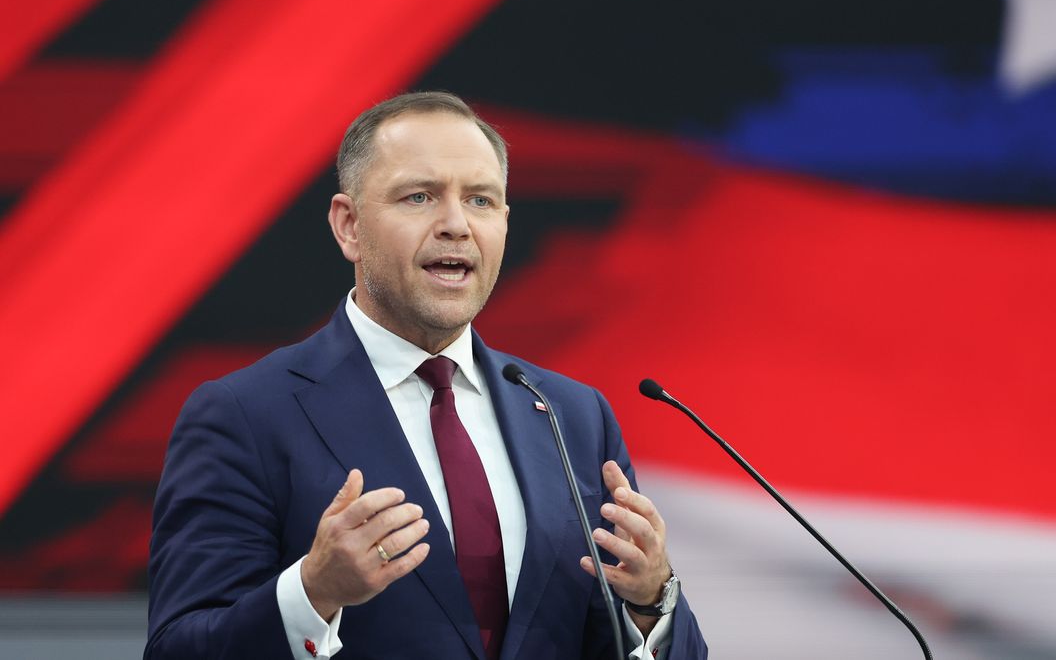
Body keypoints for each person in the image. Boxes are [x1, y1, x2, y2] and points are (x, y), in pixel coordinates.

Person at [145, 91, 706, 659]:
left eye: (482, 201)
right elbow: (178, 649)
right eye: (419, 196)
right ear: (349, 226)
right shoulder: (245, 414)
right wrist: (313, 593)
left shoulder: (570, 414)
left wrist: (651, 602)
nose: (457, 225)